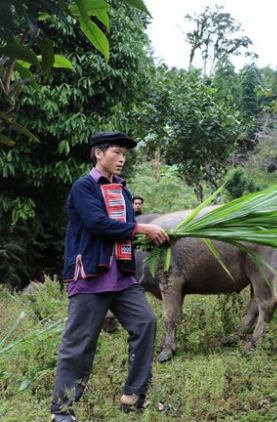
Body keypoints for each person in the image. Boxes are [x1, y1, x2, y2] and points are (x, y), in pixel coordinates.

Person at [48, 131, 169, 422]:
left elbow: (124, 228)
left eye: (125, 154)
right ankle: (61, 411)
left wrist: (159, 237)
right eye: (117, 152)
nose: (122, 159)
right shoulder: (83, 187)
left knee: (145, 323)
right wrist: (142, 229)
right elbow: (98, 224)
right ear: (99, 154)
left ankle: (133, 396)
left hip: (122, 275)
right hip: (91, 275)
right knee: (80, 341)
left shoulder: (124, 191)